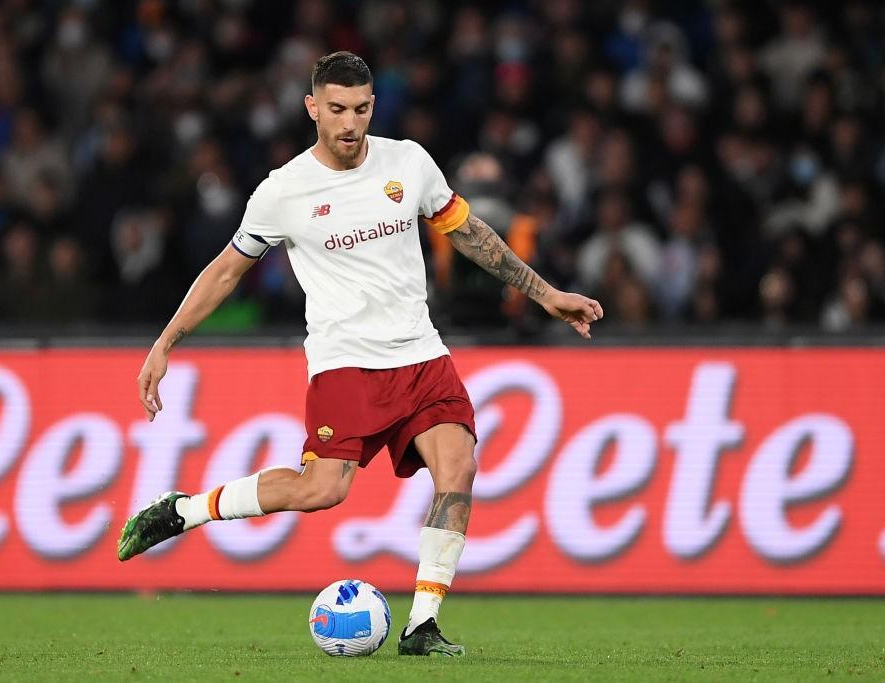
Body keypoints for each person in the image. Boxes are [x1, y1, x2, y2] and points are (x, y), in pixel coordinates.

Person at [117, 52, 603, 657]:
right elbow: (224, 274)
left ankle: (422, 625)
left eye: (362, 109)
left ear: (375, 105)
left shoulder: (409, 162)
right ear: (312, 108)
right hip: (346, 362)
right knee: (322, 490)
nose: (350, 124)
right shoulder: (283, 191)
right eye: (338, 110)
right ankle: (187, 510)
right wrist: (165, 343)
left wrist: (545, 293)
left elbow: (471, 235)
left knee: (459, 470)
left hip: (422, 353)